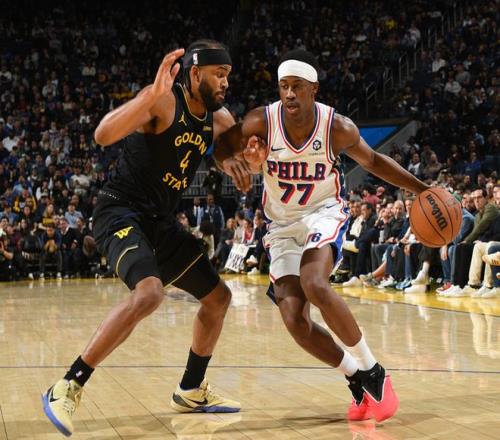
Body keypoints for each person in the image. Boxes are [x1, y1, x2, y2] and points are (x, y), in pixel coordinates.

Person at [42, 40, 252, 437]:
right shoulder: (163, 101)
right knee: (149, 293)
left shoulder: (219, 118)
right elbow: (103, 134)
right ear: (195, 74)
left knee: (218, 298)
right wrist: (148, 98)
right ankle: (68, 384)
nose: (226, 82)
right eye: (218, 74)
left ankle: (190, 389)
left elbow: (227, 154)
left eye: (228, 75)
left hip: (159, 222)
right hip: (120, 210)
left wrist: (236, 163)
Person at [215, 49, 429, 422]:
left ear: (314, 88)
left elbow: (373, 161)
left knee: (314, 283)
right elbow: (221, 149)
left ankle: (374, 372)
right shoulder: (260, 122)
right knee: (295, 321)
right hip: (282, 225)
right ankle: (355, 376)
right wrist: (239, 162)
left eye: (297, 86)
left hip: (322, 214)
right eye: (284, 86)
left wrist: (422, 189)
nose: (289, 94)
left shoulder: (336, 127)